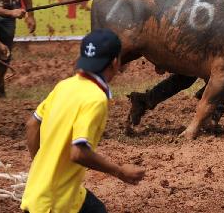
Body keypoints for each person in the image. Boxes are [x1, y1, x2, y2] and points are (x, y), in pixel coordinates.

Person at [20, 29, 145, 212]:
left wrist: (42, 167)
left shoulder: (64, 86)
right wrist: (119, 171)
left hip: (41, 191)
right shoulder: (96, 98)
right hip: (56, 204)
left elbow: (32, 124)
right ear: (115, 62)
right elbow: (78, 153)